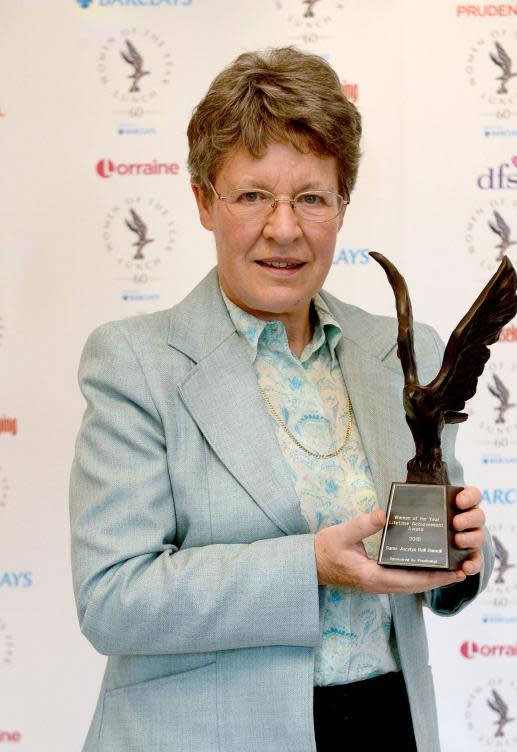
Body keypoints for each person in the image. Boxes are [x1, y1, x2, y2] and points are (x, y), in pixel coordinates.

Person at [69, 47, 492, 752]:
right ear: (204, 201)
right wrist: (310, 566)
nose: (285, 228)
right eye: (253, 195)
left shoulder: (396, 349)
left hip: (387, 723)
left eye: (312, 197)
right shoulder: (136, 363)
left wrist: (463, 558)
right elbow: (112, 598)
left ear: (342, 205)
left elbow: (431, 568)